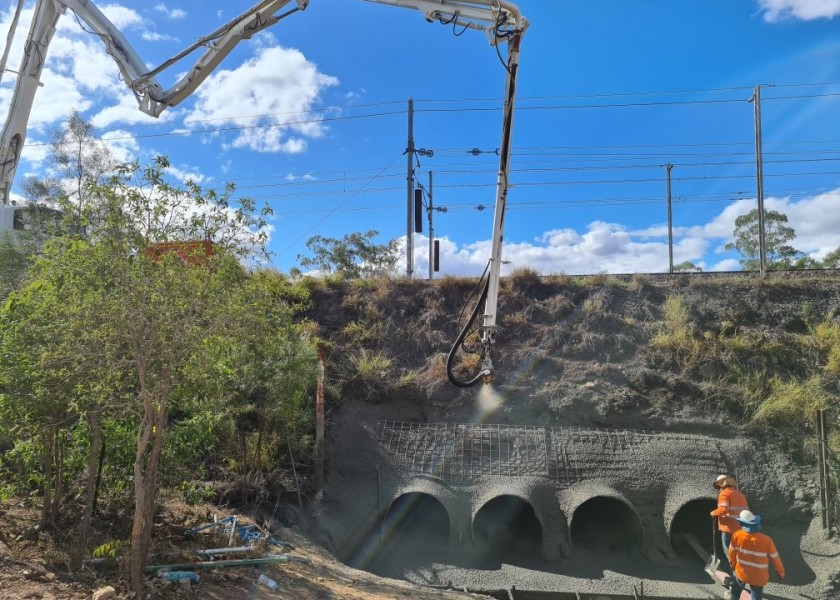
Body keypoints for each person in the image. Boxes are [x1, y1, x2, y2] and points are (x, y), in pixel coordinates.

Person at [727, 509, 785, 600]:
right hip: (758, 576)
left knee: (735, 591)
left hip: (742, 572)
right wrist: (780, 572)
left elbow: (731, 553)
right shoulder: (767, 540)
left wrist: (732, 565)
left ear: (741, 523)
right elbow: (775, 558)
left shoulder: (736, 536)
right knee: (756, 596)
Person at [710, 474, 749, 553]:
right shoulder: (741, 495)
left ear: (722, 485)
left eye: (719, 487)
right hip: (742, 529)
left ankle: (733, 565)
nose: (719, 489)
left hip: (729, 529)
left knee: (729, 553)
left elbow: (723, 509)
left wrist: (713, 513)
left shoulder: (724, 494)